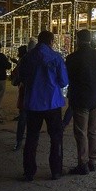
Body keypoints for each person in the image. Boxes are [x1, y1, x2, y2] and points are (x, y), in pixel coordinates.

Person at [18, 31, 69, 181]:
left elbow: (22, 77)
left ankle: (29, 172)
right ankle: (56, 170)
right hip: (52, 103)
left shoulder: (28, 57)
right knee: (56, 138)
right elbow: (64, 81)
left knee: (31, 138)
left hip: (33, 103)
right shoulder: (56, 57)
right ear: (51, 41)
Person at [65, 29, 96, 175]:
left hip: (80, 99)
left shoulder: (72, 58)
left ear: (78, 40)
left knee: (80, 132)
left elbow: (67, 78)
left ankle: (82, 163)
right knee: (93, 131)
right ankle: (93, 161)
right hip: (95, 98)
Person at [10, 45, 28, 151]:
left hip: (25, 92)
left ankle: (19, 140)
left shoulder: (23, 61)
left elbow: (17, 75)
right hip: (33, 95)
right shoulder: (30, 61)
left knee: (23, 118)